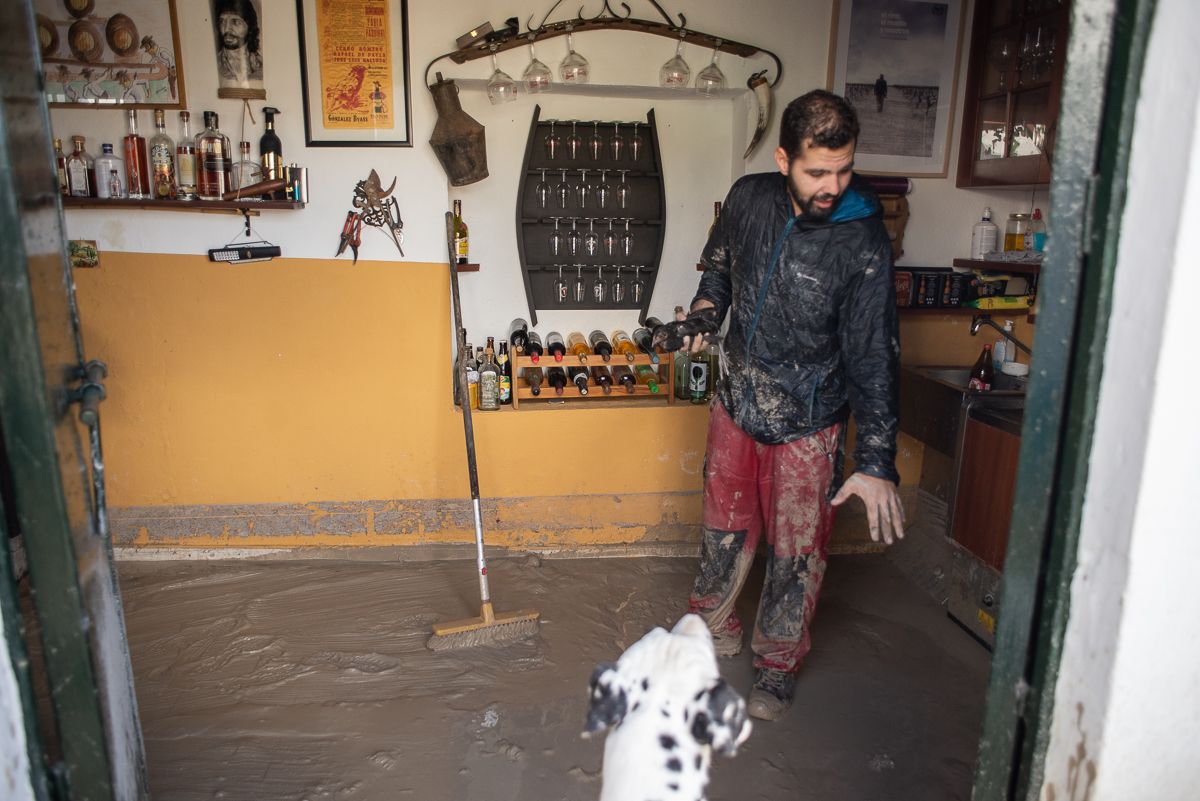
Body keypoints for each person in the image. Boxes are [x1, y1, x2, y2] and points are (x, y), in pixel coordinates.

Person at [662, 89, 904, 722]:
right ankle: (709, 629)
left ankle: (776, 663)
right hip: (738, 396)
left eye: (843, 169)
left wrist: (877, 458)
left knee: (798, 549)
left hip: (811, 415)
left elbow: (876, 351)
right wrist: (705, 315)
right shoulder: (748, 199)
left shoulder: (862, 239)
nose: (832, 185)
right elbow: (717, 270)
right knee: (723, 525)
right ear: (782, 159)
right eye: (816, 171)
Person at [213, 0, 263, 85]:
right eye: (222, 22)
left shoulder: (260, 63)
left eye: (235, 22)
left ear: (249, 26)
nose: (227, 29)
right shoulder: (215, 63)